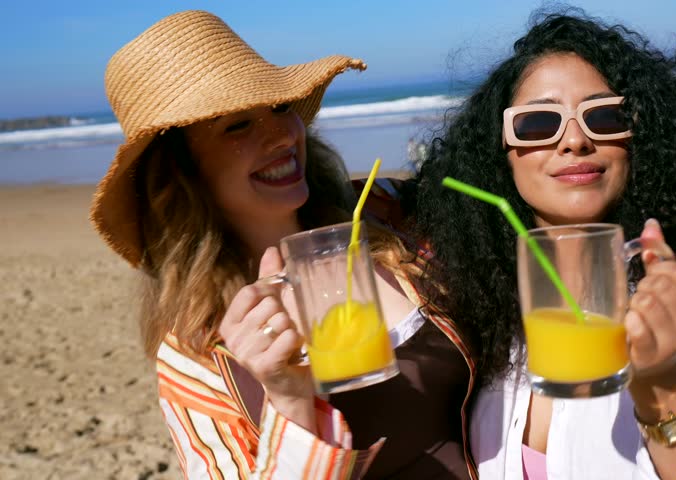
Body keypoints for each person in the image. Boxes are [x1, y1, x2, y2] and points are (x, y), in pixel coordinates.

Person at [406, 8, 676, 479]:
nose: (575, 140)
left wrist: (665, 383)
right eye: (538, 124)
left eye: (604, 116)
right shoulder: (481, 309)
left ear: (642, 136)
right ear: (498, 155)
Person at [90, 10, 476, 479]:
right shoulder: (195, 352)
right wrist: (290, 400)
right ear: (185, 173)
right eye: (237, 126)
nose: (280, 135)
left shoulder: (385, 210)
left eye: (279, 108)